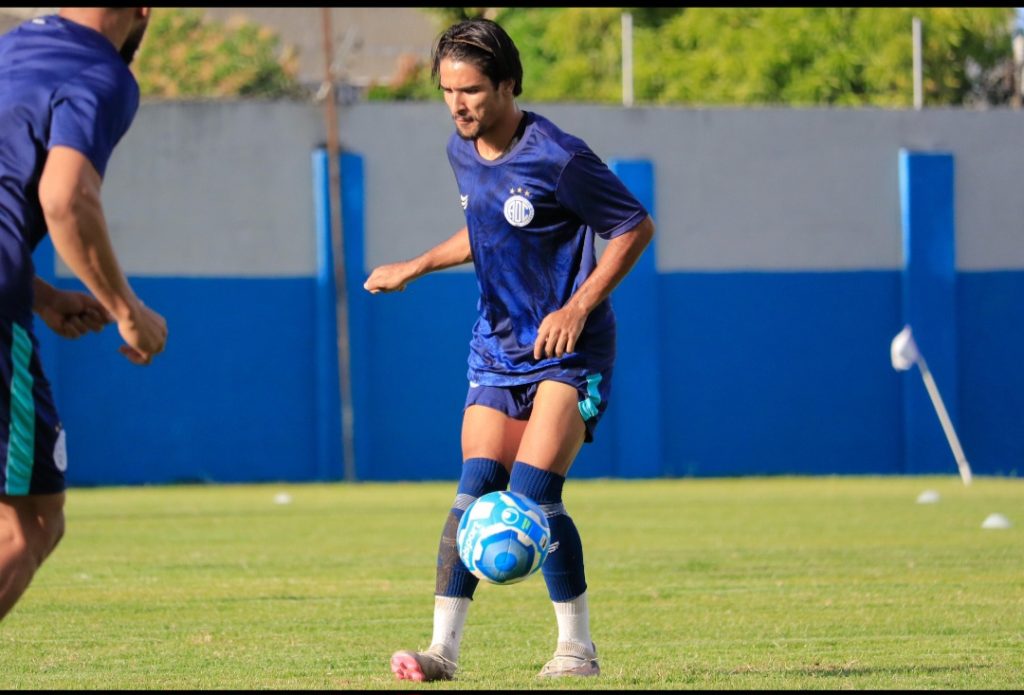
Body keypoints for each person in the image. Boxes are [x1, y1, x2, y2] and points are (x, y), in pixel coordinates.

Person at [364, 18, 655, 681]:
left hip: (569, 353)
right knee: (472, 495)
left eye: (470, 90)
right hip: (496, 349)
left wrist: (577, 306)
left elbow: (634, 226)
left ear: (508, 85)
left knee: (533, 497)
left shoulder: (559, 156)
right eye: (447, 91)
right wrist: (415, 265)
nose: (457, 104)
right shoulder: (461, 149)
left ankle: (576, 649)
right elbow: (484, 227)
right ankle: (442, 652)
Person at [0, 7, 167, 622]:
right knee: (29, 521)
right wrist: (127, 310)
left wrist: (44, 296)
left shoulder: (10, 50)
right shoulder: (100, 70)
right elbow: (66, 196)